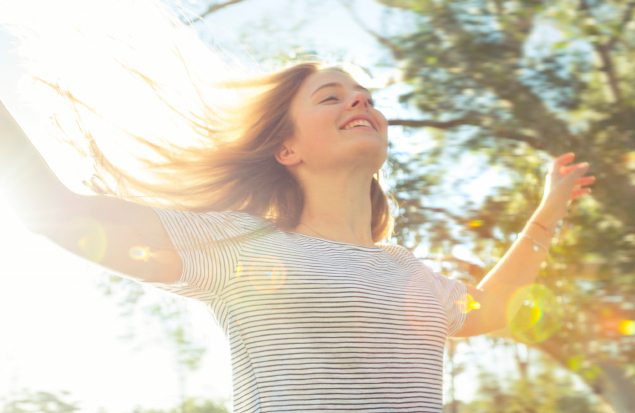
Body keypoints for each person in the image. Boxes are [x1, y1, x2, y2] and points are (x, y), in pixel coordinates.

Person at [0, 60, 594, 412]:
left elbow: (491, 309)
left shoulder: (413, 277)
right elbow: (53, 213)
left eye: (364, 94)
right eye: (330, 96)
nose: (359, 99)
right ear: (287, 149)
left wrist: (549, 210)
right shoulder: (236, 245)